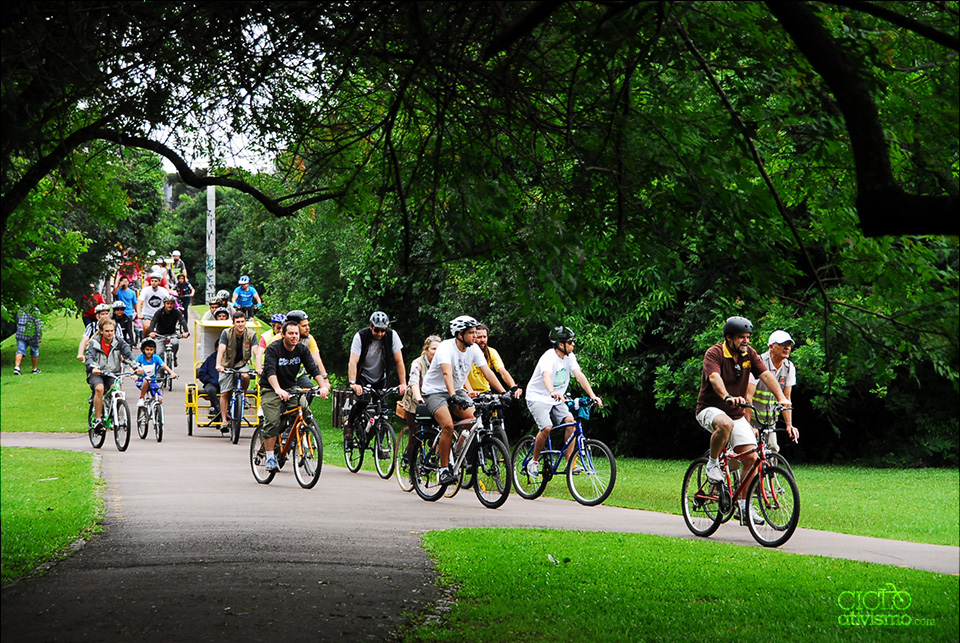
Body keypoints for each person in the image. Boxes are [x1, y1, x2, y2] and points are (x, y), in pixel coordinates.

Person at [695, 316, 792, 525]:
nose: (745, 341)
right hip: (710, 408)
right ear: (729, 338)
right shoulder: (715, 353)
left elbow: (766, 375)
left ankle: (743, 506)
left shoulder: (749, 354)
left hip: (736, 413)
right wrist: (726, 396)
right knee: (725, 424)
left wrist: (782, 397)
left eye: (748, 337)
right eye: (741, 337)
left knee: (752, 458)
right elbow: (714, 378)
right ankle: (712, 464)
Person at [419, 315, 512, 485]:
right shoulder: (446, 347)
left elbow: (487, 372)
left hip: (457, 390)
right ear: (460, 334)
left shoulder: (474, 349)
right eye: (471, 333)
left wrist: (504, 392)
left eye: (476, 332)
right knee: (447, 425)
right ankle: (444, 469)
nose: (475, 336)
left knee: (474, 419)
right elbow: (447, 373)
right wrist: (453, 396)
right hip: (435, 392)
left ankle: (456, 450)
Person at [524, 326, 602, 477]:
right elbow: (547, 376)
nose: (574, 344)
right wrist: (552, 391)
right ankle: (533, 461)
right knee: (546, 428)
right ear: (561, 345)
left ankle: (569, 464)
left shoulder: (569, 357)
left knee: (571, 422)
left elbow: (579, 375)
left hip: (556, 398)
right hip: (538, 397)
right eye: (571, 342)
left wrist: (593, 395)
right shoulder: (549, 357)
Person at [260, 320, 330, 471]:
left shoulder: (302, 349)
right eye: (290, 333)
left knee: (303, 410)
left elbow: (313, 369)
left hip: (291, 388)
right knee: (272, 421)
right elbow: (270, 371)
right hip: (271, 388)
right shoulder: (274, 349)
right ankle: (270, 457)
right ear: (283, 334)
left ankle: (293, 439)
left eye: (296, 334)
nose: (294, 337)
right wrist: (278, 389)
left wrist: (323, 386)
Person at [346, 311, 407, 430]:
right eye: (377, 330)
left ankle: (379, 443)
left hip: (380, 377)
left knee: (383, 410)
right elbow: (353, 361)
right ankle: (349, 424)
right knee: (362, 402)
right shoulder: (361, 336)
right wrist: (353, 383)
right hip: (363, 376)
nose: (380, 334)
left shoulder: (392, 336)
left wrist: (403, 383)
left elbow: (399, 361)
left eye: (383, 330)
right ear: (371, 327)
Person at [746, 330, 800, 453]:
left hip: (769, 422)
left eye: (789, 345)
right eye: (782, 345)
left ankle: (771, 473)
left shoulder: (789, 367)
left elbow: (786, 398)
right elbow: (748, 396)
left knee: (773, 449)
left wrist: (789, 424)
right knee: (745, 454)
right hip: (752, 419)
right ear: (771, 346)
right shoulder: (758, 363)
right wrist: (749, 426)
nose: (787, 348)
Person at [85, 318, 142, 431]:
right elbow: (89, 358)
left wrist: (136, 366)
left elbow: (128, 355)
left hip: (113, 373)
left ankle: (113, 414)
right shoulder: (95, 343)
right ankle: (97, 419)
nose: (110, 333)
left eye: (112, 330)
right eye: (107, 331)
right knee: (100, 389)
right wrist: (94, 367)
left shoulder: (119, 342)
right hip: (98, 373)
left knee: (116, 390)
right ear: (101, 331)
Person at [215, 311, 261, 430]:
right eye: (238, 322)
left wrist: (259, 368)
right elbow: (221, 349)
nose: (240, 324)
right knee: (225, 393)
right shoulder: (226, 333)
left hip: (242, 364)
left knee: (245, 376)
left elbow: (257, 351)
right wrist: (219, 365)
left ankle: (243, 397)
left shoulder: (251, 334)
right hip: (227, 364)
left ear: (245, 322)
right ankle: (224, 421)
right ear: (233, 323)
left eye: (242, 322)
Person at [269, 310, 330, 388]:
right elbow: (270, 367)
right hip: (279, 376)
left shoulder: (308, 339)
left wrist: (325, 380)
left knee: (308, 388)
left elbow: (317, 361)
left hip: (297, 375)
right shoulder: (276, 341)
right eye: (304, 326)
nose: (308, 328)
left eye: (308, 325)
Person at [465, 323, 522, 398]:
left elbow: (502, 371)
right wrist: (470, 391)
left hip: (485, 392)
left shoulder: (491, 352)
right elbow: (461, 374)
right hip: (467, 392)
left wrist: (513, 387)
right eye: (479, 337)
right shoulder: (466, 352)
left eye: (484, 337)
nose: (482, 340)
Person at [135, 338, 177, 407]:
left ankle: (156, 413)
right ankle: (141, 398)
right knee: (147, 379)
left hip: (152, 382)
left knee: (159, 399)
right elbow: (132, 366)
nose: (149, 352)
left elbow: (164, 365)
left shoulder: (156, 357)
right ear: (143, 350)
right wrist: (134, 375)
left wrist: (171, 372)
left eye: (151, 350)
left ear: (154, 350)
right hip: (141, 381)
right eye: (147, 350)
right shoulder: (140, 358)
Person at [149, 295, 190, 365]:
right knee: (159, 353)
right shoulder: (159, 312)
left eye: (171, 303)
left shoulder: (176, 312)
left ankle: (173, 356)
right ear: (164, 304)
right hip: (160, 335)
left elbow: (182, 321)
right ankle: (160, 371)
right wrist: (151, 332)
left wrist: (186, 331)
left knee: (175, 343)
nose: (169, 305)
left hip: (172, 334)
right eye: (168, 303)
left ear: (174, 304)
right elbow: (153, 321)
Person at [14, 307, 43, 375]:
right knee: (34, 350)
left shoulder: (21, 310)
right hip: (32, 334)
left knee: (20, 350)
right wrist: (39, 336)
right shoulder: (35, 311)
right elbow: (38, 324)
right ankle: (34, 369)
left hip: (21, 333)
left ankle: (17, 367)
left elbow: (17, 321)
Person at [197, 348, 222, 420]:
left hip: (226, 383)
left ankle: (227, 409)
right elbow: (202, 373)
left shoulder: (229, 359)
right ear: (216, 348)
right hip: (212, 383)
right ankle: (219, 409)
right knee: (210, 390)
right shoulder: (210, 359)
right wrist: (210, 380)